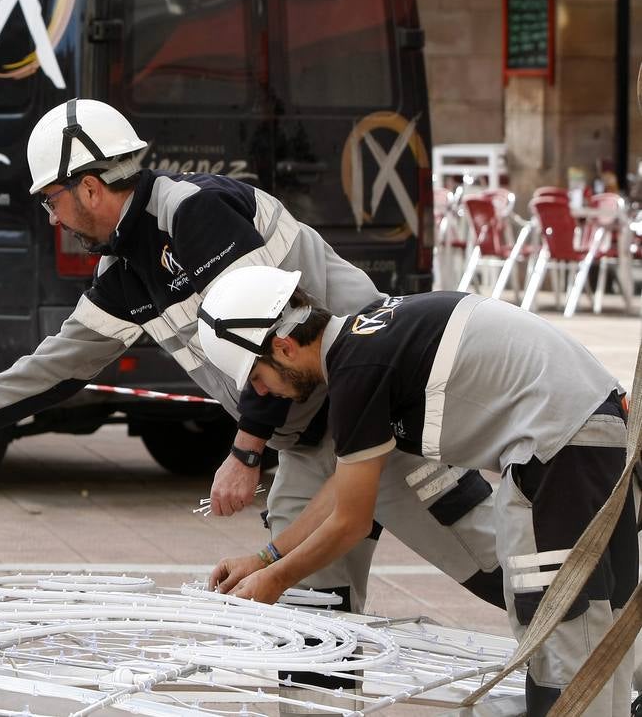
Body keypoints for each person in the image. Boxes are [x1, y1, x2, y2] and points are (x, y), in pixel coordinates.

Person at [0, 98, 502, 614]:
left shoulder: (195, 213)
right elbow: (60, 365)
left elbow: (270, 329)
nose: (53, 218)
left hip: (373, 413)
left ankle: (578, 655)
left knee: (497, 568)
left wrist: (244, 453)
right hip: (306, 445)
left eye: (51, 200)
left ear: (91, 187)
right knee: (310, 616)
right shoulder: (125, 270)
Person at [200, 266, 636, 717]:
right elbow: (340, 492)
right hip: (589, 436)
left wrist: (274, 582)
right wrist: (265, 558)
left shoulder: (357, 369)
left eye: (256, 378)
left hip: (559, 450)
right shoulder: (369, 338)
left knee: (559, 629)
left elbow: (350, 522)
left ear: (284, 347)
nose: (262, 393)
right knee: (603, 622)